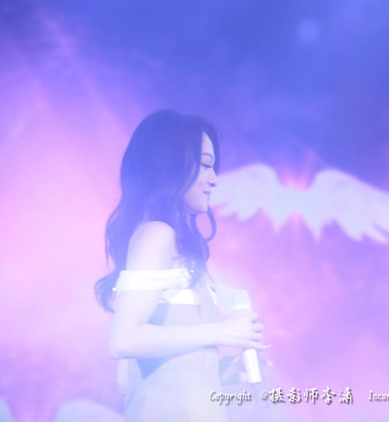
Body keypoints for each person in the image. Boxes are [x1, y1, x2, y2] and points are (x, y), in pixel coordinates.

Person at [95, 109, 270, 421]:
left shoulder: (175, 243)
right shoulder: (156, 235)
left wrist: (220, 371)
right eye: (205, 165)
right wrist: (220, 332)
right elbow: (124, 340)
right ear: (170, 165)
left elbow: (162, 368)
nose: (214, 179)